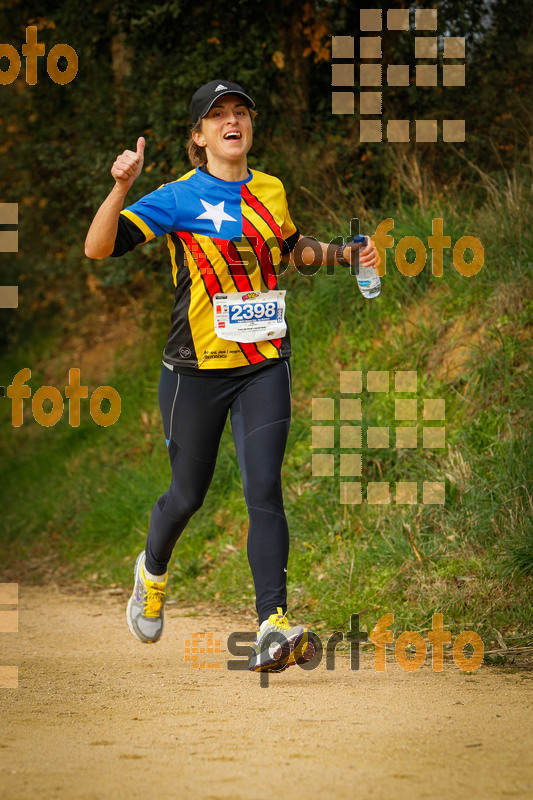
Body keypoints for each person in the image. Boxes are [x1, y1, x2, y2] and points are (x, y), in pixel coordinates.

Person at [85, 79, 380, 672]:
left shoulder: (269, 188)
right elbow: (98, 247)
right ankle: (152, 569)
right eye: (217, 115)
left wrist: (343, 255)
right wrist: (121, 186)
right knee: (187, 495)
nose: (232, 120)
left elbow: (291, 249)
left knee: (263, 487)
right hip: (195, 372)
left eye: (240, 111)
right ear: (199, 137)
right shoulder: (177, 197)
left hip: (264, 363)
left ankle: (272, 624)